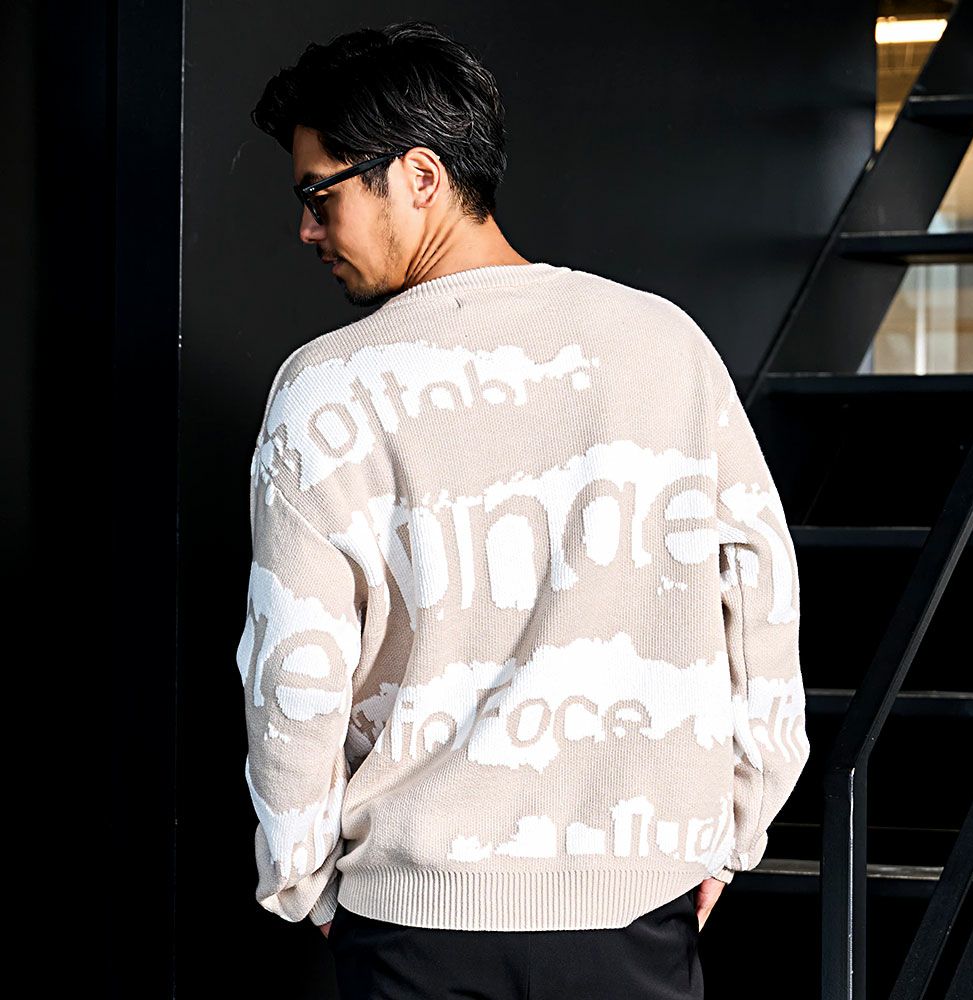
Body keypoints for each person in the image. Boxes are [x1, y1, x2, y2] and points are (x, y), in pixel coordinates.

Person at [239, 19, 809, 999]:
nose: (307, 231)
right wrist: (732, 830)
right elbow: (760, 602)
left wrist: (302, 880)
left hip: (415, 926)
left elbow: (292, 670)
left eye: (320, 196)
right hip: (636, 909)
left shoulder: (327, 389)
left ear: (419, 176)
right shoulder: (662, 345)